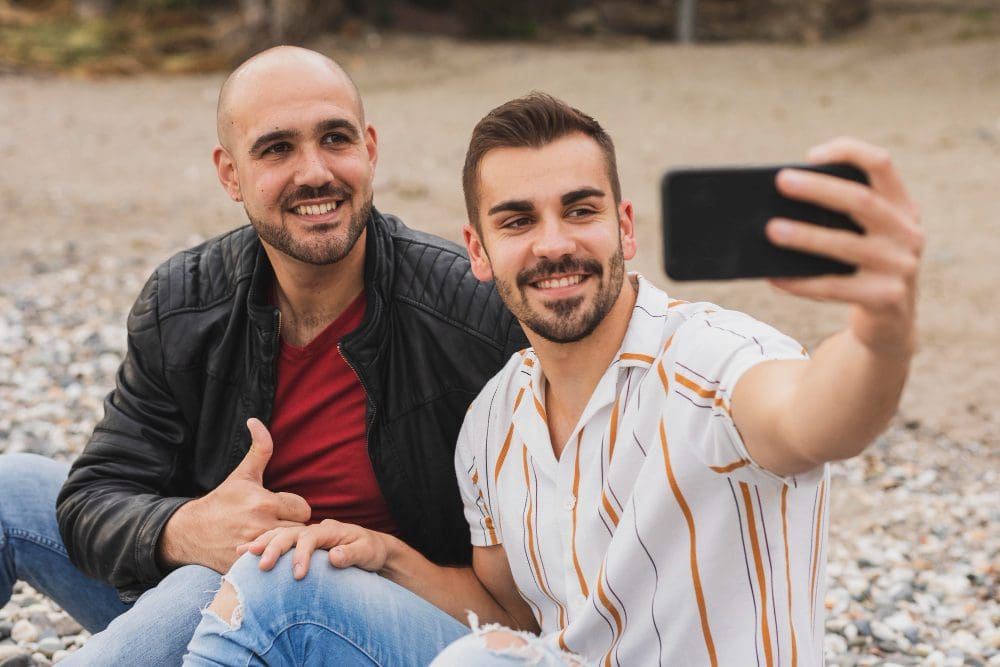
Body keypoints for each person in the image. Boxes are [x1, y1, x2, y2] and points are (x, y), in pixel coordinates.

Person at [184, 92, 922, 666]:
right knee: (268, 584)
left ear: (624, 227)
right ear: (478, 251)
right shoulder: (493, 418)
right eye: (517, 221)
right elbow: (508, 612)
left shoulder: (714, 361)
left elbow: (820, 418)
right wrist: (388, 556)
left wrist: (881, 331)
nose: (554, 244)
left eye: (580, 210)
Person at [0, 46, 526, 665]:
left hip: (391, 631)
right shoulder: (183, 303)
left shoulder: (474, 310)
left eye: (335, 139)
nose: (315, 172)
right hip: (209, 610)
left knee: (237, 581)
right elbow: (95, 497)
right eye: (277, 148)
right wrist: (186, 530)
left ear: (370, 149)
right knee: (13, 490)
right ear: (230, 175)